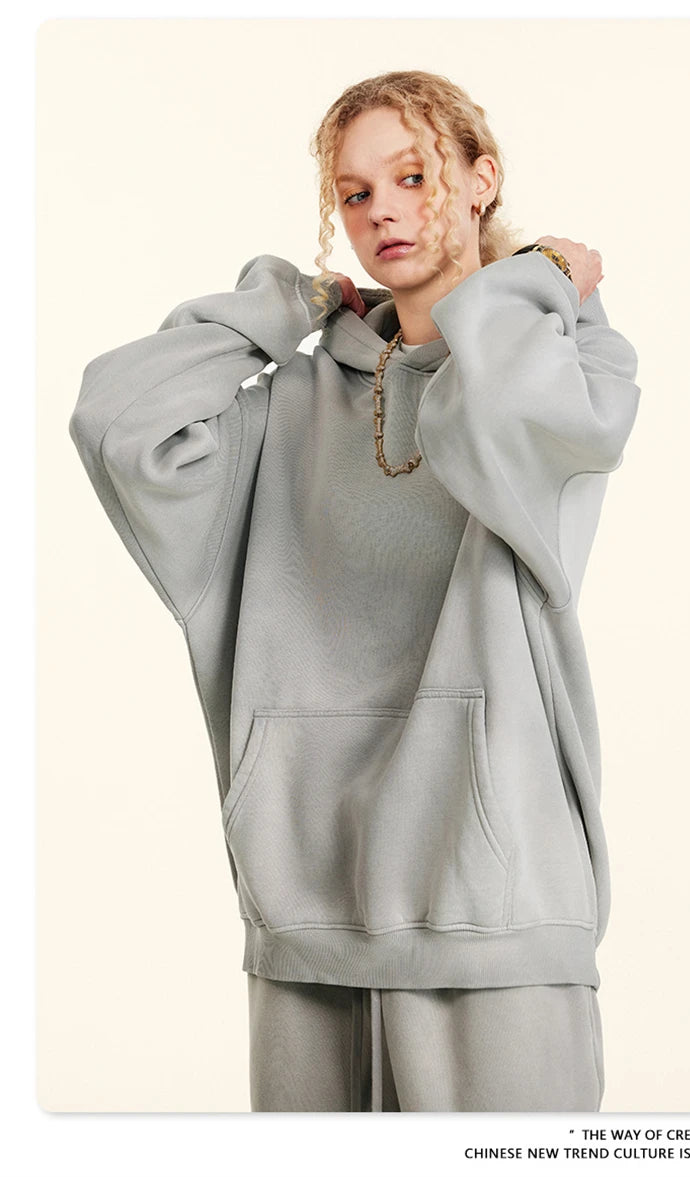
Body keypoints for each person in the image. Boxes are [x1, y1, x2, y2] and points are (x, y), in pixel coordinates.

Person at [68, 69, 640, 1113]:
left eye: (414, 177)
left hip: (493, 915)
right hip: (308, 913)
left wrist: (536, 280)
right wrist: (287, 304)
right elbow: (120, 425)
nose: (382, 211)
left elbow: (496, 420)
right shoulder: (288, 401)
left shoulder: (568, 359)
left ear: (481, 179)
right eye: (355, 192)